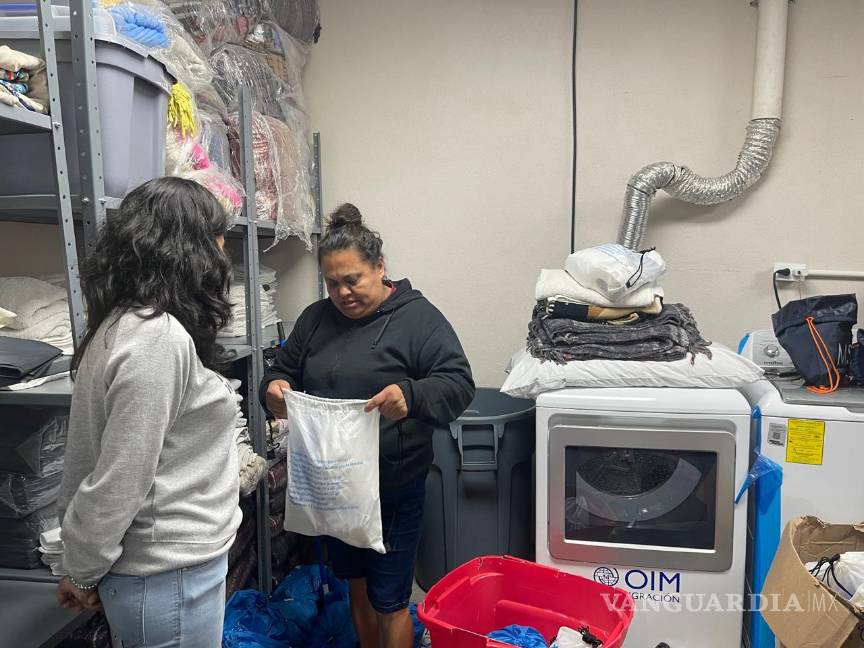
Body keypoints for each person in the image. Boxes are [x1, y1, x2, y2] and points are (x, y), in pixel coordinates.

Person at [261, 203, 475, 648]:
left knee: (390, 600)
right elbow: (281, 371)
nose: (342, 292)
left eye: (353, 279)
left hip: (392, 489)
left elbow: (458, 384)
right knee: (355, 586)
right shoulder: (315, 319)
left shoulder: (418, 319)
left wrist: (411, 396)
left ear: (380, 267)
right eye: (332, 283)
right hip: (335, 486)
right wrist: (275, 389)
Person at [56, 177, 243, 647]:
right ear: (190, 250)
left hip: (165, 572)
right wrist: (81, 570)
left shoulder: (127, 325)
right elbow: (119, 477)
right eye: (217, 240)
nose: (224, 256)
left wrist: (81, 563)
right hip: (167, 574)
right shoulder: (156, 338)